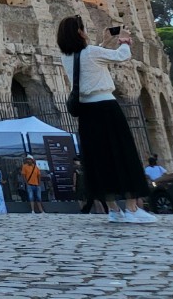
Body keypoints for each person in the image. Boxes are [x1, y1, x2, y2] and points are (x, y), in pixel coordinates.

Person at [57, 14, 156, 223]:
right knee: (122, 153)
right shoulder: (92, 52)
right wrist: (124, 40)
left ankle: (113, 210)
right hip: (106, 107)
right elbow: (121, 56)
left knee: (98, 159)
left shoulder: (66, 57)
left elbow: (89, 62)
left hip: (86, 112)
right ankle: (132, 208)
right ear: (79, 32)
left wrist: (104, 43)